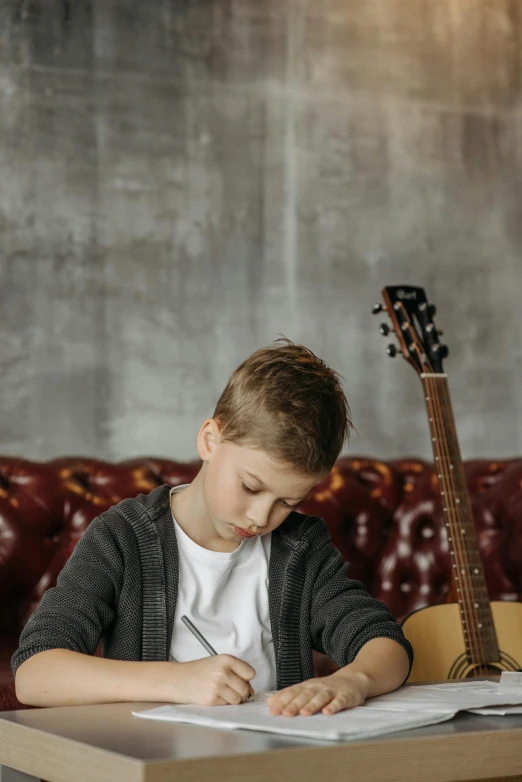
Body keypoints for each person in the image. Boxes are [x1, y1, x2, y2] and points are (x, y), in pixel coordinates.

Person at [13, 338, 413, 718]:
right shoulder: (122, 537)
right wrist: (177, 681)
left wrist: (351, 680)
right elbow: (34, 673)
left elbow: (385, 643)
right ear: (209, 440)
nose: (261, 517)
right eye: (251, 487)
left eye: (288, 502)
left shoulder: (301, 546)